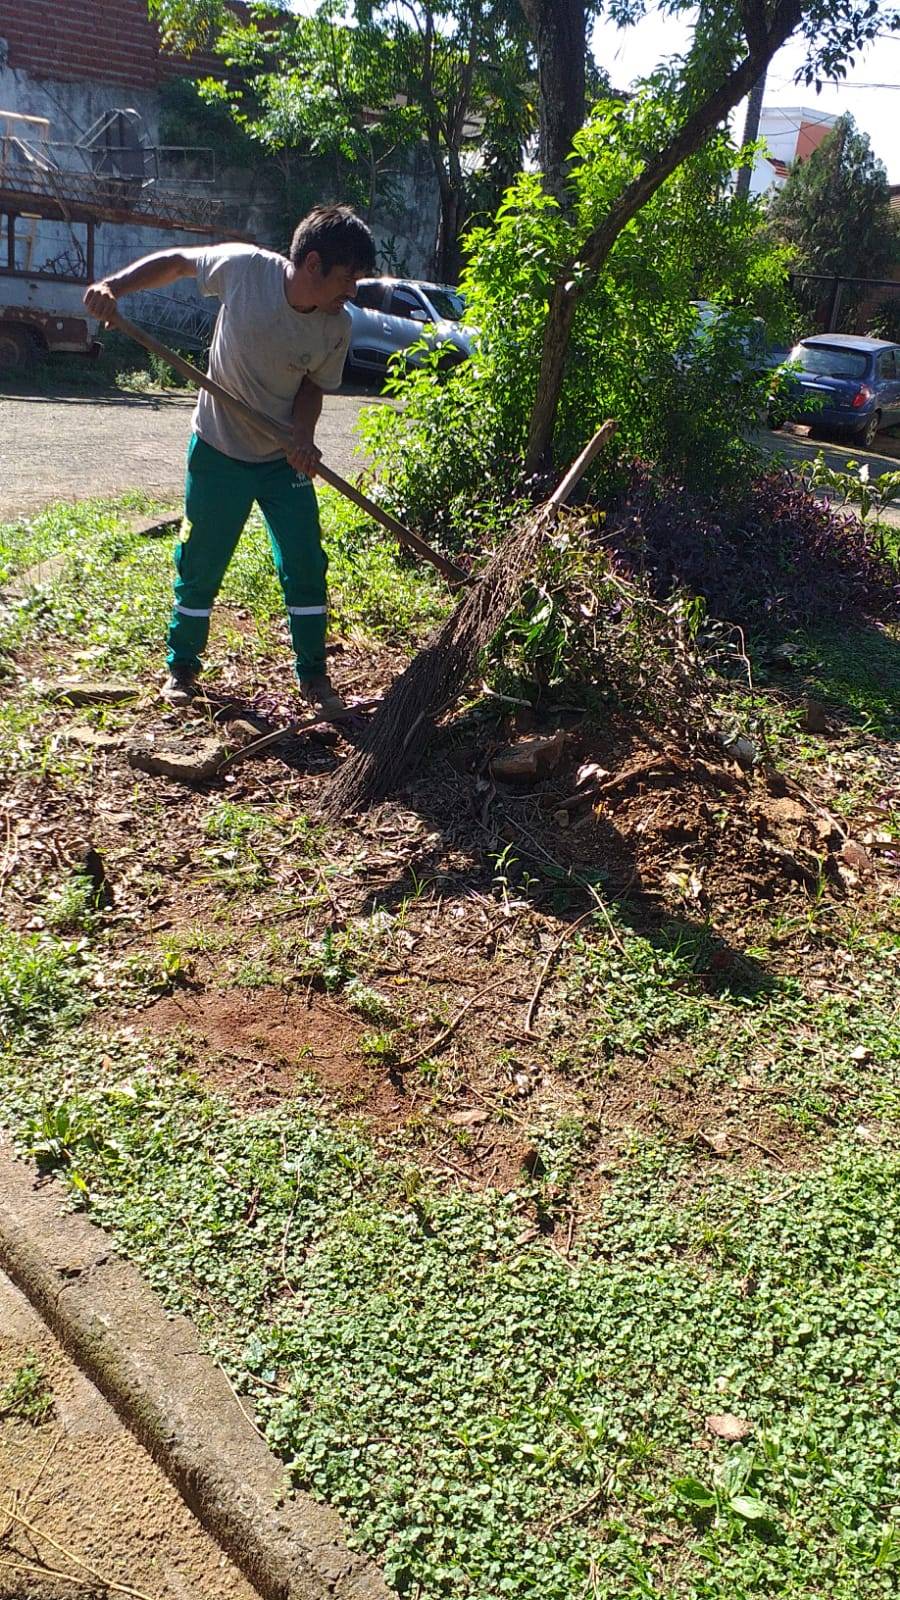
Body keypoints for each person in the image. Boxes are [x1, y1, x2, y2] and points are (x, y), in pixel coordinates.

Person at [83, 204, 376, 717]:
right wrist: (114, 288)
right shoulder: (245, 269)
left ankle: (314, 676)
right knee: (200, 561)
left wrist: (302, 437)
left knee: (306, 563)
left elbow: (313, 386)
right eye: (347, 277)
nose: (352, 291)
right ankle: (182, 667)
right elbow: (178, 262)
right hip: (218, 450)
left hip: (282, 460)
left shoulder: (337, 326)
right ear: (313, 264)